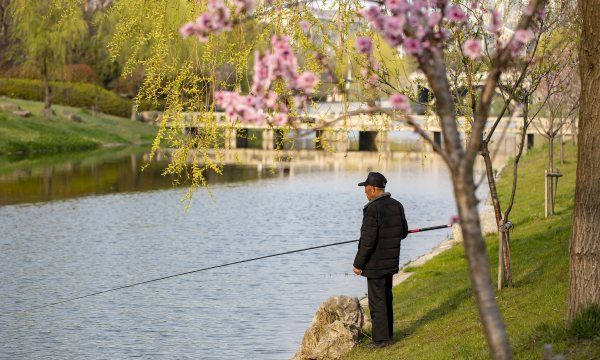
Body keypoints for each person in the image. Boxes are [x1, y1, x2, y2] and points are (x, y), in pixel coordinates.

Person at [353, 171, 408, 349]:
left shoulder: (372, 209)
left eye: (366, 189)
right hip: (390, 261)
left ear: (374, 189)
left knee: (377, 301)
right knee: (386, 297)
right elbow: (403, 232)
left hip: (375, 264)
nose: (364, 192)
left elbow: (368, 241)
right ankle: (387, 335)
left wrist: (358, 264)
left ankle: (380, 340)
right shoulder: (397, 205)